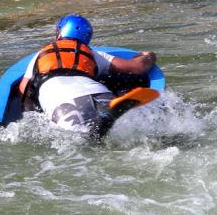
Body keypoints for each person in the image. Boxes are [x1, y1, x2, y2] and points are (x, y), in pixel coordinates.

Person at [18, 14, 158, 137]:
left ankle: (102, 124)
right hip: (99, 93)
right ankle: (106, 118)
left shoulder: (40, 55)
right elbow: (138, 67)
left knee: (85, 141)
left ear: (60, 32)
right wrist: (150, 56)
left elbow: (23, 90)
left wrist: (32, 116)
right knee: (118, 132)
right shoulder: (93, 54)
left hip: (64, 103)